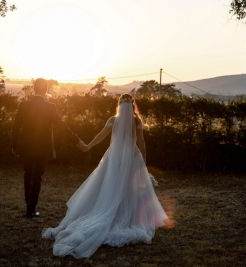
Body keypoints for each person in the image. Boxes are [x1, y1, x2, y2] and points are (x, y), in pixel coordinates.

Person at [43, 93, 168, 258]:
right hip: (131, 157)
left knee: (110, 185)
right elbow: (141, 142)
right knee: (131, 189)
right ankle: (132, 218)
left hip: (113, 157)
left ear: (119, 105)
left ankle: (107, 209)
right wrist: (143, 160)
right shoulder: (136, 121)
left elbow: (100, 136)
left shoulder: (112, 120)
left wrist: (88, 146)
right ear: (132, 105)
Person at [12, 78, 86, 218]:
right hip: (42, 148)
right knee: (37, 177)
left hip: (26, 146)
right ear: (45, 90)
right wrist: (76, 140)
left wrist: (14, 145)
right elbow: (62, 126)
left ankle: (29, 205)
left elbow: (16, 127)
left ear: (34, 89)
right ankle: (31, 208)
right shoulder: (50, 107)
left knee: (27, 174)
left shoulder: (24, 105)